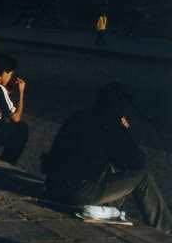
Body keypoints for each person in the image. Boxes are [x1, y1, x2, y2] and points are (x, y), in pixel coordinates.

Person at [42, 83, 170, 232]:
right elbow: (137, 162)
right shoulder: (110, 125)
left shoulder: (78, 116)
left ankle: (106, 207)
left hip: (53, 188)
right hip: (76, 193)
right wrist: (125, 131)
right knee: (142, 177)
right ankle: (166, 228)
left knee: (107, 166)